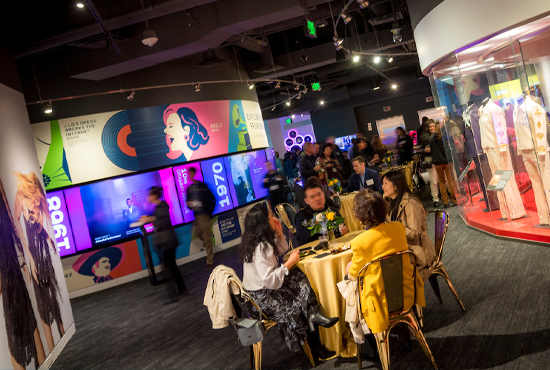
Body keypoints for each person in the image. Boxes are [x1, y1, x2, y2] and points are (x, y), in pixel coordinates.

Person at [240, 203, 339, 359]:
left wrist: (279, 233)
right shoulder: (261, 246)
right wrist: (287, 264)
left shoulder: (257, 241)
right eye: (270, 216)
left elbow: (281, 250)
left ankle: (314, 320)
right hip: (262, 302)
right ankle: (315, 338)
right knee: (300, 291)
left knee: (298, 278)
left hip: (258, 296)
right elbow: (270, 281)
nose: (274, 217)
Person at [346, 189, 425, 334]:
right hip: (407, 293)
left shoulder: (359, 242)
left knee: (347, 286)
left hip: (379, 304)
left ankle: (359, 339)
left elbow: (354, 273)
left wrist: (348, 268)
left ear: (360, 216)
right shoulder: (398, 228)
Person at [13, 172, 65, 353]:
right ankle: (51, 349)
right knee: (41, 299)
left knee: (52, 294)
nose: (36, 202)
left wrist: (51, 238)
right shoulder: (20, 197)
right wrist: (29, 258)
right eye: (33, 199)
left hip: (45, 255)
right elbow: (17, 223)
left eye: (38, 199)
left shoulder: (38, 198)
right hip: (34, 256)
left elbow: (44, 223)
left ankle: (63, 333)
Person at [0, 178, 46, 369]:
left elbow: (10, 217)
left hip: (9, 263)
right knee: (23, 322)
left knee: (20, 325)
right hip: (9, 264)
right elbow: (12, 218)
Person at [382, 171, 437, 282]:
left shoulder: (411, 204)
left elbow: (414, 234)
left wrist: (393, 228)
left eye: (385, 183)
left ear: (396, 186)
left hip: (418, 252)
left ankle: (406, 298)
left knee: (387, 271)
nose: (382, 187)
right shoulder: (393, 204)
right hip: (404, 249)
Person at [144, 186, 188, 303]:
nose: (148, 197)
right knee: (172, 267)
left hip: (167, 241)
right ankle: (182, 289)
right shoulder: (160, 207)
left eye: (149, 195)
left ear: (154, 196)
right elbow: (160, 220)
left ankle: (173, 295)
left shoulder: (160, 208)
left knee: (167, 268)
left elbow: (163, 223)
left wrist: (150, 221)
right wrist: (151, 219)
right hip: (168, 240)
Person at [295, 177, 349, 246]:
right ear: (306, 201)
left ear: (324, 194)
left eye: (319, 194)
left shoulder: (333, 211)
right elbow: (301, 242)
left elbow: (343, 231)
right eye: (312, 197)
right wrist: (315, 223)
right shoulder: (302, 216)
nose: (317, 198)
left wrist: (344, 231)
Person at [187, 167, 216, 268]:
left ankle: (210, 260)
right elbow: (188, 205)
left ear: (194, 174)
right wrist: (189, 204)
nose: (190, 176)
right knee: (200, 234)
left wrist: (209, 214)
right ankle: (209, 248)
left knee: (207, 238)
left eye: (191, 174)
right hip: (196, 216)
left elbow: (213, 199)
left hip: (204, 215)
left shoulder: (203, 186)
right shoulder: (189, 189)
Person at [427, 121, 457, 207]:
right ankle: (454, 200)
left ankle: (445, 202)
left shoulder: (431, 138)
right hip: (447, 161)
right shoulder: (446, 136)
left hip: (437, 162)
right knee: (450, 181)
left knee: (441, 182)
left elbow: (432, 151)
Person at [421, 119, 440, 207]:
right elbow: (426, 149)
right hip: (430, 160)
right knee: (434, 181)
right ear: (427, 128)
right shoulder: (425, 137)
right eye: (430, 126)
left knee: (444, 180)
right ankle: (435, 199)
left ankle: (447, 196)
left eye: (433, 126)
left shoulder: (438, 135)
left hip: (439, 159)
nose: (432, 128)